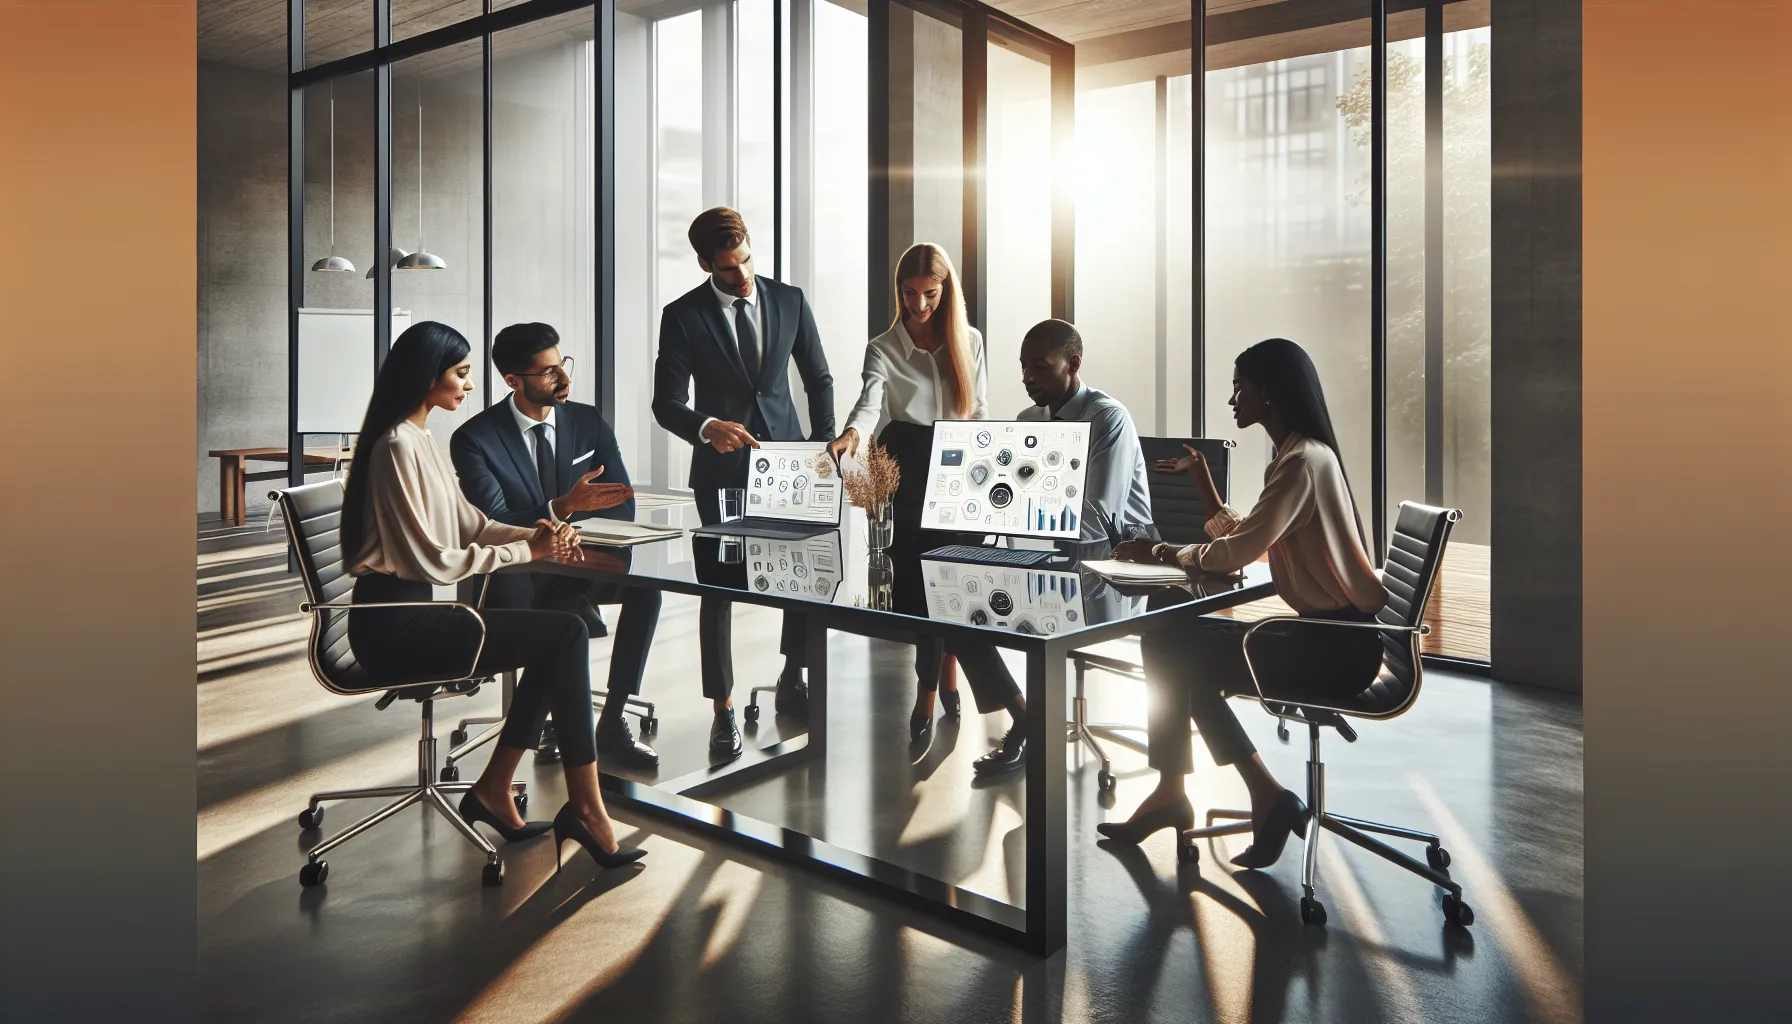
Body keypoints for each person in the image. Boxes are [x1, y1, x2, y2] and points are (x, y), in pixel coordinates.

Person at [341, 320, 646, 873]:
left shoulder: (418, 437)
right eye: (460, 374)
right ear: (427, 378)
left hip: (417, 612)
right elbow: (430, 560)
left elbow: (471, 523)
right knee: (564, 634)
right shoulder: (394, 448)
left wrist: (534, 535)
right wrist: (524, 555)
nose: (469, 385)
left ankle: (502, 790)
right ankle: (586, 809)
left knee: (559, 637)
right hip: (393, 624)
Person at [1098, 337, 1387, 870]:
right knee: (1173, 646)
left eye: (1239, 387)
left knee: (1171, 647)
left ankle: (1220, 795)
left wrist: (1158, 550)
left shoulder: (1300, 463)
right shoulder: (1296, 457)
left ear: (1269, 394)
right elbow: (1248, 541)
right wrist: (1205, 487)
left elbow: (1237, 551)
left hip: (1337, 651)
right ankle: (1233, 795)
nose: (1233, 399)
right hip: (1332, 637)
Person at [652, 206, 835, 762]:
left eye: (747, 260)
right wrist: (707, 429)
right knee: (719, 591)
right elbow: (666, 403)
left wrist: (823, 446)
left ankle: (794, 674)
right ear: (705, 264)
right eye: (728, 269)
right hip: (721, 471)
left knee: (805, 579)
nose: (742, 276)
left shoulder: (790, 300)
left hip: (790, 462)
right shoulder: (682, 316)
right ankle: (724, 710)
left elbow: (818, 377)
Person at [947, 318, 1158, 775]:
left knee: (1043, 620)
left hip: (1116, 567)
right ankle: (1027, 716)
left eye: (1039, 367)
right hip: (1051, 554)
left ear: (1073, 364)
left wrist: (1022, 510)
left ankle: (1029, 730)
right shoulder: (1029, 421)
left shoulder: (1108, 417)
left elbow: (1098, 516)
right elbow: (1009, 504)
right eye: (1022, 367)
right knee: (957, 612)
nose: (1026, 378)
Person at [449, 321, 663, 771]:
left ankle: (614, 717)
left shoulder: (587, 422)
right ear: (513, 381)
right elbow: (493, 522)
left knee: (647, 589)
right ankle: (551, 724)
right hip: (515, 572)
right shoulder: (475, 439)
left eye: (562, 364)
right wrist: (561, 508)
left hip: (581, 560)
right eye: (548, 372)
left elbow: (621, 502)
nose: (564, 379)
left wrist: (572, 534)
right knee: (563, 609)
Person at [828, 242, 988, 742]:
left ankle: (949, 673)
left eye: (930, 294)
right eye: (909, 292)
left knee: (959, 578)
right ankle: (926, 695)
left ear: (947, 292)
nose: (918, 305)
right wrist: (853, 434)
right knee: (920, 587)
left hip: (963, 464)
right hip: (910, 465)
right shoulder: (883, 347)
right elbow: (870, 401)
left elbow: (979, 410)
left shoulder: (971, 340)